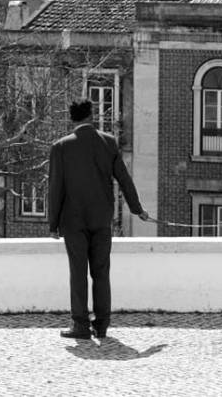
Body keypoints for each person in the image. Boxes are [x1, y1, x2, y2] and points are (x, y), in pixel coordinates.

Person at [48, 99, 148, 339]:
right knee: (101, 272)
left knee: (78, 272)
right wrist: (137, 209)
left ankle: (80, 326)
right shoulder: (108, 143)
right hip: (102, 218)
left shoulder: (61, 147)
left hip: (72, 221)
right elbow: (124, 179)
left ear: (72, 118)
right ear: (91, 115)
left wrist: (53, 224)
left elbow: (55, 189)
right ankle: (102, 325)